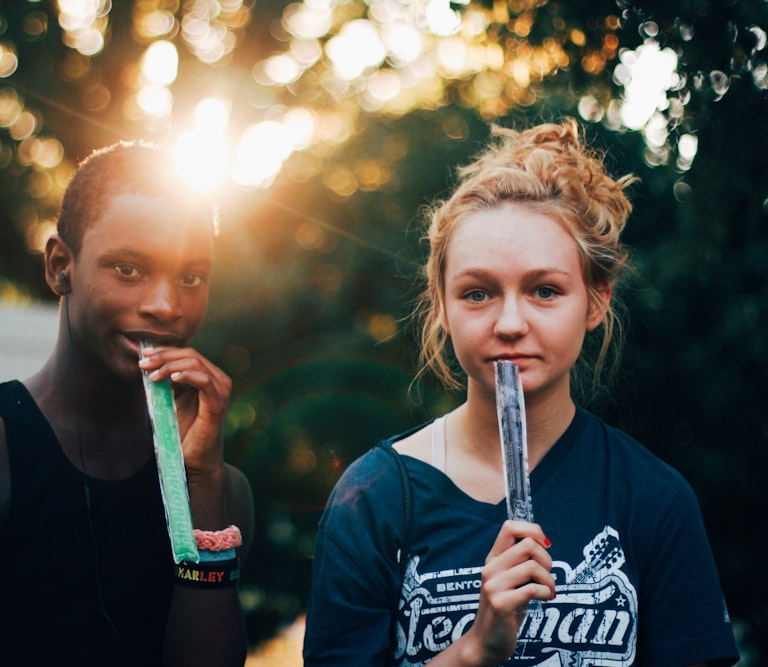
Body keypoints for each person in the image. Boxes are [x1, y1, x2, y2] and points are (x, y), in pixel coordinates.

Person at [302, 120, 738, 666]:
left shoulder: (653, 499)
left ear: (596, 301)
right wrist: (473, 651)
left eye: (545, 291)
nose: (510, 322)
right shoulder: (374, 499)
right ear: (442, 306)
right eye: (478, 293)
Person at [0, 141, 254, 667]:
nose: (165, 305)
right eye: (128, 269)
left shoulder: (222, 494)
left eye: (190, 278)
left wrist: (201, 482)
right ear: (61, 266)